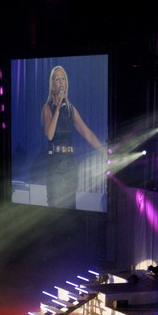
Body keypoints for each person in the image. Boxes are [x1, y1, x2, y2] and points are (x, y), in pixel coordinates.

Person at [41, 65, 106, 208]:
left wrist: (104, 152)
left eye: (63, 78)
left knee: (70, 208)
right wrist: (58, 108)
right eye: (57, 79)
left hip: (69, 164)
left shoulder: (71, 109)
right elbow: (50, 135)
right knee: (56, 208)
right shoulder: (47, 108)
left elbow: (87, 132)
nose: (61, 82)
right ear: (52, 85)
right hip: (55, 165)